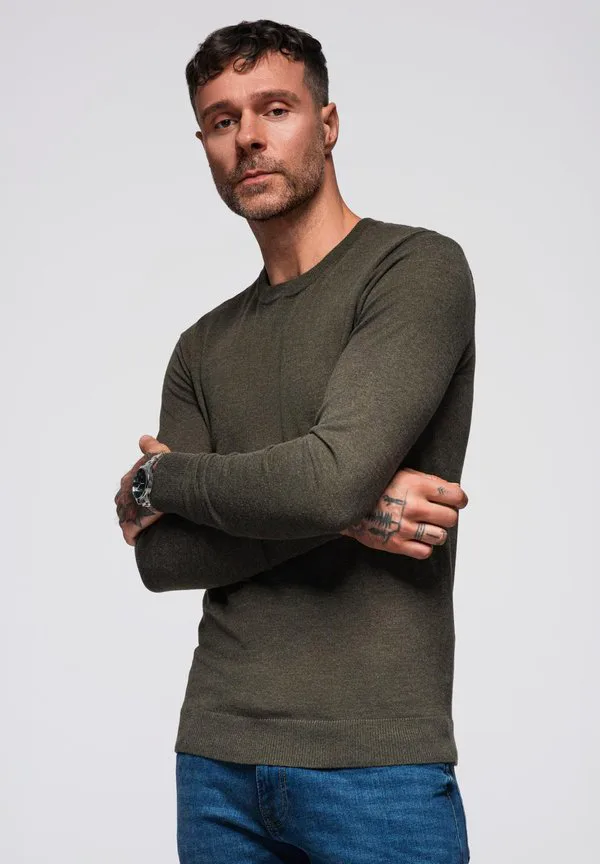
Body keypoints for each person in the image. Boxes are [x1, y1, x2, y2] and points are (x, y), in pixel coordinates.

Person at [114, 18, 475, 864]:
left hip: (376, 764)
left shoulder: (414, 271)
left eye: (274, 109)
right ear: (205, 145)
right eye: (221, 120)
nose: (248, 137)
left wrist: (162, 482)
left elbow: (325, 483)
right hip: (218, 761)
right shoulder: (202, 345)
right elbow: (163, 559)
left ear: (328, 122)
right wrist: (349, 508)